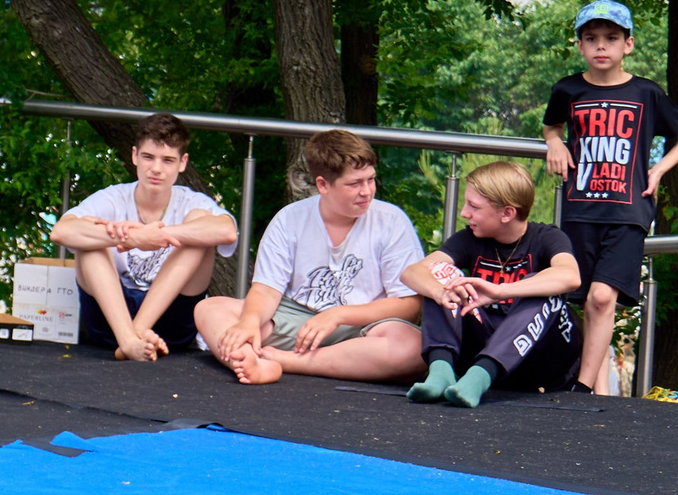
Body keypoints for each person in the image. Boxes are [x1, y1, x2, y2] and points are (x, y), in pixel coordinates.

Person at [192, 128, 425, 385]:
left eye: (370, 180)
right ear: (323, 185)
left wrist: (337, 315)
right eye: (354, 184)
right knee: (209, 309)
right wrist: (248, 322)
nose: (367, 191)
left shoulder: (391, 221)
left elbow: (409, 306)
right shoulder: (289, 218)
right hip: (296, 321)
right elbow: (267, 290)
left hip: (363, 329)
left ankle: (282, 361)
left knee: (415, 347)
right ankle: (251, 360)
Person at [541, 0, 678, 394]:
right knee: (582, 300)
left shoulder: (646, 92)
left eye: (611, 38)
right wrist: (554, 144)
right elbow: (552, 126)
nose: (601, 46)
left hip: (629, 211)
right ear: (579, 46)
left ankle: (583, 388)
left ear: (629, 44)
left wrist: (659, 168)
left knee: (604, 296)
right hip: (579, 209)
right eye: (591, 38)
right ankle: (598, 388)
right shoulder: (568, 89)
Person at [47, 112, 239, 361]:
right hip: (112, 322)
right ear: (135, 155)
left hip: (172, 324)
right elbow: (60, 232)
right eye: (148, 157)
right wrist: (131, 239)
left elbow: (226, 231)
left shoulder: (191, 201)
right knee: (90, 236)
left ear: (182, 163)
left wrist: (160, 234)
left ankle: (133, 337)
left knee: (200, 226)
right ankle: (129, 340)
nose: (156, 169)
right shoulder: (112, 198)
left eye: (168, 160)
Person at [399, 161, 582, 407]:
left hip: (539, 358)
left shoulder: (546, 237)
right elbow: (412, 272)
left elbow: (571, 277)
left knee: (542, 285)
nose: (464, 213)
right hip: (483, 343)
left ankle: (480, 377)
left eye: (474, 207)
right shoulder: (468, 239)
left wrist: (499, 291)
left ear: (507, 213)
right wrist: (440, 291)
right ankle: (441, 372)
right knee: (441, 275)